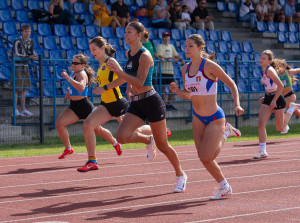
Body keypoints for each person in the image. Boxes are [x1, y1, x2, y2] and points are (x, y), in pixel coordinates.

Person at [107, 21, 187, 193]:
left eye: (129, 32)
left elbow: (139, 81)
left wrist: (119, 72)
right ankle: (148, 139)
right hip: (137, 102)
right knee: (121, 135)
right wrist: (110, 86)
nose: (125, 34)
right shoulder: (129, 53)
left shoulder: (145, 56)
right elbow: (128, 77)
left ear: (138, 35)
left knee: (163, 145)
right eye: (125, 31)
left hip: (151, 102)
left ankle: (181, 174)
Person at [169, 34, 244, 200]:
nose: (186, 49)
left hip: (215, 118)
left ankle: (225, 133)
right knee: (204, 157)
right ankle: (224, 186)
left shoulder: (209, 66)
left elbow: (231, 83)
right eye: (185, 46)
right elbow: (190, 95)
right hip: (197, 117)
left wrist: (237, 104)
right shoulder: (184, 69)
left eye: (190, 46)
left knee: (206, 156)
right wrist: (176, 91)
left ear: (200, 48)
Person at [79, 36, 165, 172]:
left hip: (118, 103)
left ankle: (156, 134)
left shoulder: (110, 61)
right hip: (106, 105)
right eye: (90, 50)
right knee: (88, 125)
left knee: (133, 131)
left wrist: (105, 88)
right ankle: (92, 160)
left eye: (94, 49)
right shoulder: (101, 65)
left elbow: (123, 77)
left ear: (102, 48)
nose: (92, 52)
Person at [56, 54, 123, 160]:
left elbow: (82, 87)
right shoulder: (73, 73)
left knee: (98, 130)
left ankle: (115, 143)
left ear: (83, 65)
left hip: (84, 106)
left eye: (76, 63)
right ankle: (68, 148)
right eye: (72, 62)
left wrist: (68, 78)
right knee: (59, 124)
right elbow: (73, 87)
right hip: (74, 106)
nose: (73, 65)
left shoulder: (82, 74)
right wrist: (69, 92)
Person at [254, 50, 300, 159]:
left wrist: (274, 100)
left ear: (269, 61)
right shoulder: (263, 69)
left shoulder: (270, 71)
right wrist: (266, 97)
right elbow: (270, 87)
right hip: (268, 98)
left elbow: (280, 86)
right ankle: (262, 151)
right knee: (261, 124)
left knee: (280, 128)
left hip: (278, 99)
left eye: (264, 58)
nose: (261, 60)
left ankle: (291, 109)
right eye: (261, 57)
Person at [12, 24, 37, 117]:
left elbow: (31, 52)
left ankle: (23, 109)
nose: (28, 33)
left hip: (25, 66)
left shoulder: (31, 41)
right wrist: (29, 57)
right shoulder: (17, 41)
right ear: (22, 32)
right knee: (16, 89)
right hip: (17, 66)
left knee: (23, 89)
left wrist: (34, 56)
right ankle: (15, 110)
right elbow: (16, 55)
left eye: (29, 31)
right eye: (26, 31)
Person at [156, 31, 185, 111]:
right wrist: (172, 58)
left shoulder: (171, 46)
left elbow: (176, 54)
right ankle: (163, 104)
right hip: (162, 70)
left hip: (170, 71)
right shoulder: (160, 46)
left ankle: (169, 104)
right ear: (163, 38)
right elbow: (161, 56)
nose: (166, 38)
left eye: (167, 36)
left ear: (169, 37)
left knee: (172, 88)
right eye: (165, 36)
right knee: (162, 88)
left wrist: (181, 59)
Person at [273, 58, 300, 133]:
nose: (277, 68)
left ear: (284, 66)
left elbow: (298, 70)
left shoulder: (289, 72)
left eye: (279, 66)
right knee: (296, 112)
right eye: (276, 67)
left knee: (280, 108)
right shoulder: (276, 74)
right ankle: (294, 107)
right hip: (282, 97)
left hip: (290, 96)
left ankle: (285, 125)